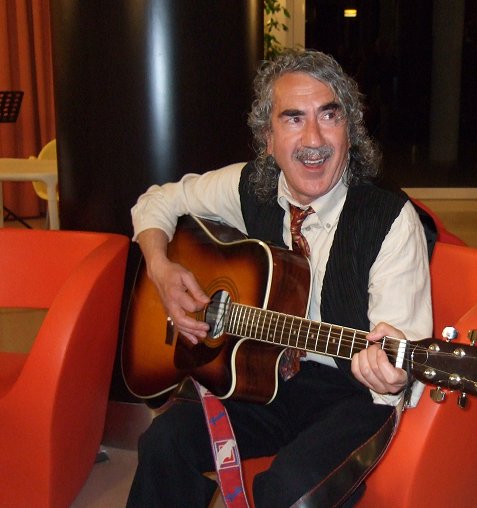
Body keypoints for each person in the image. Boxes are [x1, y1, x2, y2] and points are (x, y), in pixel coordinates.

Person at [126, 49, 433, 507]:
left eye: (329, 115)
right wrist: (161, 267)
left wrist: (389, 373)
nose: (314, 139)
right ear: (267, 138)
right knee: (164, 443)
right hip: (262, 374)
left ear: (350, 130)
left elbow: (399, 354)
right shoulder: (252, 186)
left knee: (288, 492)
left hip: (352, 395)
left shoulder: (389, 219)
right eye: (293, 119)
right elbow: (156, 201)